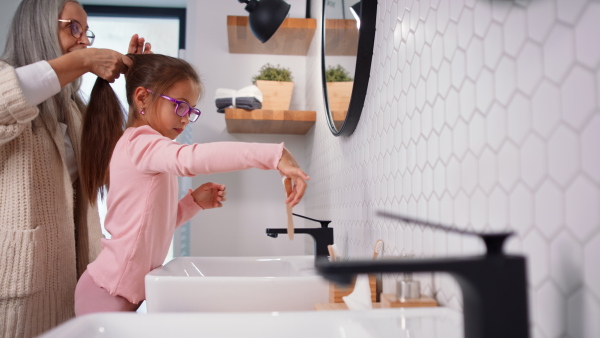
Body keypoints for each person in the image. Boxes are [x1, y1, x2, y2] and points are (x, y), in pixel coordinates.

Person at [73, 53, 309, 315]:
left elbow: (151, 226)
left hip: (119, 292)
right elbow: (191, 159)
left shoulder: (145, 148)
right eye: (180, 105)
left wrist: (192, 203)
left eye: (191, 110)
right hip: (106, 292)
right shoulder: (140, 142)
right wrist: (272, 155)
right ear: (142, 97)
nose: (185, 117)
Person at [0, 0, 151, 336]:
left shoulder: (72, 109)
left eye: (86, 33)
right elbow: (9, 98)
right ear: (38, 27)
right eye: (73, 28)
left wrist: (134, 96)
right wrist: (85, 61)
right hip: (19, 284)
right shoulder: (5, 81)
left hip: (76, 277)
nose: (84, 40)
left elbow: (115, 166)